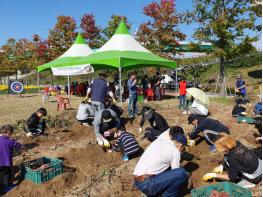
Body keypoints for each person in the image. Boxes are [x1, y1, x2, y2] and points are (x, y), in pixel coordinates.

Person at [133, 129, 188, 196]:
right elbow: (175, 172)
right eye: (183, 149)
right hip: (147, 184)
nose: (183, 151)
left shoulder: (160, 141)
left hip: (137, 181)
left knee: (167, 170)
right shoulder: (175, 151)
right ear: (181, 146)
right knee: (181, 173)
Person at [0, 125, 26, 191]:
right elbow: (18, 145)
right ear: (8, 133)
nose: (11, 135)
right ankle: (6, 187)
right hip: (4, 163)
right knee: (6, 175)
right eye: (11, 134)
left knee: (1, 174)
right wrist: (24, 147)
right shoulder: (10, 141)